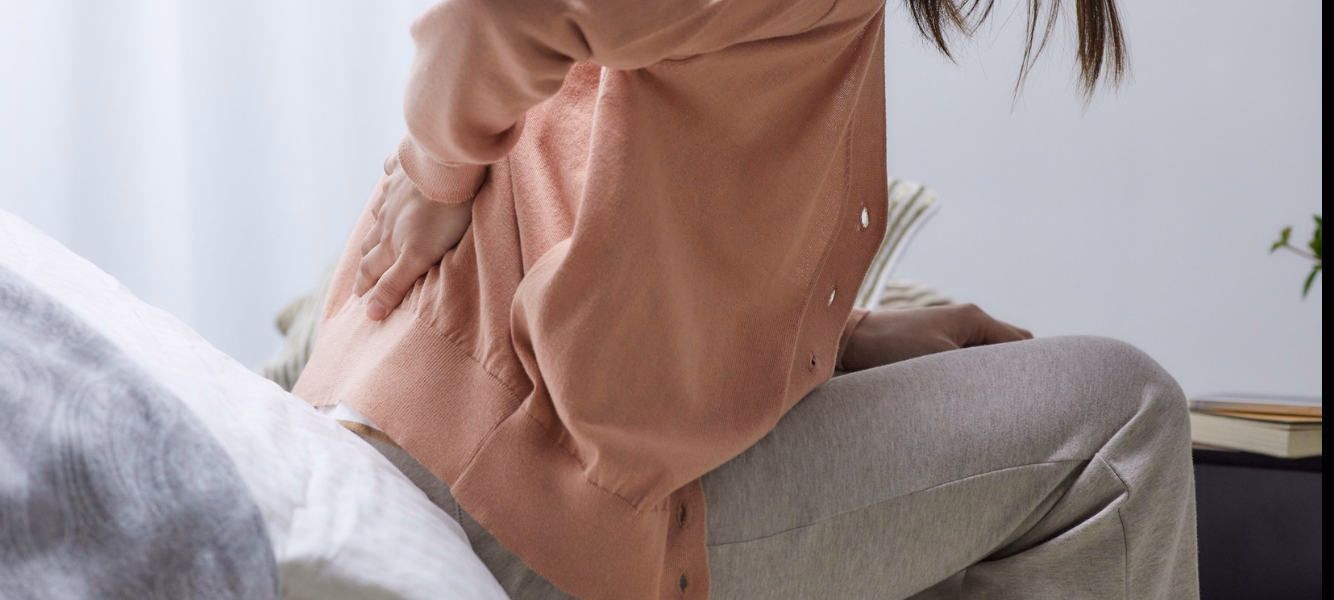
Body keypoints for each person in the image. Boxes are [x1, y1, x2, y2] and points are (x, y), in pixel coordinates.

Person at [293, 0, 1199, 598]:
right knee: (1124, 418)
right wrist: (433, 172)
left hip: (429, 435)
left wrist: (836, 343)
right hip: (527, 504)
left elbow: (617, 215)